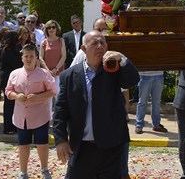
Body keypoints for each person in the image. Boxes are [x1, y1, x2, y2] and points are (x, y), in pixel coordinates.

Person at [53, 30, 139, 178]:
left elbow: (132, 80)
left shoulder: (114, 69)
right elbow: (61, 110)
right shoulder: (69, 76)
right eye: (95, 43)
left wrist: (122, 59)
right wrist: (61, 139)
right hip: (81, 147)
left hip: (111, 147)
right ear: (84, 49)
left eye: (102, 43)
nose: (100, 46)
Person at [6, 43, 57, 179]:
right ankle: (23, 172)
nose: (29, 59)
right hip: (21, 116)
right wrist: (17, 96)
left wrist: (38, 97)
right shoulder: (14, 74)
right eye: (26, 56)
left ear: (36, 58)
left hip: (40, 116)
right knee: (23, 144)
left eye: (32, 56)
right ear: (22, 58)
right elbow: (8, 91)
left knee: (42, 143)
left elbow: (53, 91)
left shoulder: (44, 74)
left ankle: (45, 169)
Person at [1, 28, 27, 134]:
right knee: (10, 105)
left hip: (6, 78)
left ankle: (10, 126)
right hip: (11, 78)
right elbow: (17, 64)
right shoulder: (12, 50)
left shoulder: (4, 49)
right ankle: (9, 127)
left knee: (9, 104)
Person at [135, 68, 167, 134]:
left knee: (156, 103)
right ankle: (139, 125)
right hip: (144, 75)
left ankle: (156, 125)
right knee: (142, 102)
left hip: (159, 75)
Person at [39, 20, 66, 91]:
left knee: (57, 95)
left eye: (53, 27)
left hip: (58, 73)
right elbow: (40, 58)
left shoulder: (61, 40)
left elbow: (64, 56)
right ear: (46, 30)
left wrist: (56, 69)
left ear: (56, 28)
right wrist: (48, 71)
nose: (51, 29)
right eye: (49, 28)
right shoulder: (43, 42)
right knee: (47, 95)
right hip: (46, 73)